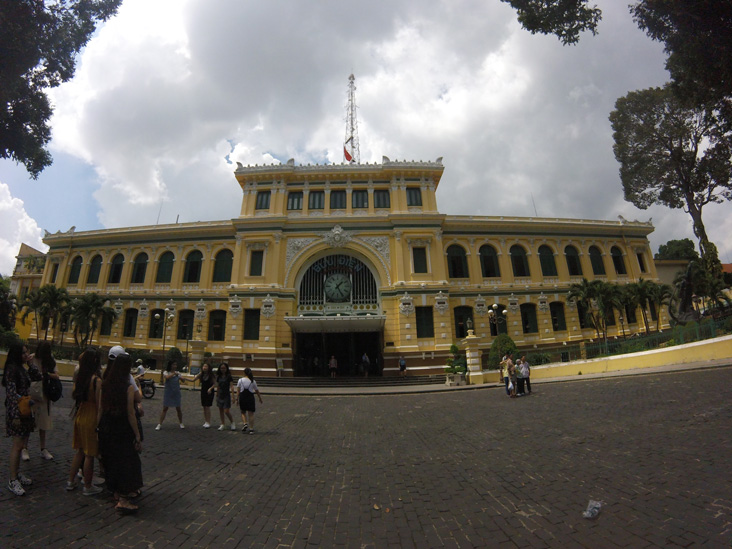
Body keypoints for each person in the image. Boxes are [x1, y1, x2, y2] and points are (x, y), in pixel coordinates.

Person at [98, 353, 143, 513]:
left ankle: (115, 492)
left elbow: (101, 408)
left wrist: (98, 427)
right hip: (122, 428)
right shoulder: (128, 387)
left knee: (111, 460)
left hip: (107, 426)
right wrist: (137, 435)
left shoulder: (106, 384)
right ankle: (124, 500)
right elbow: (131, 414)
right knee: (126, 462)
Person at [4, 343, 42, 496]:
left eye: (27, 352)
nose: (27, 355)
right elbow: (11, 395)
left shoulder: (22, 368)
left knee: (22, 444)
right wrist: (15, 416)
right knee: (17, 445)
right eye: (23, 353)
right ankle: (13, 479)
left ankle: (17, 473)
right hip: (17, 411)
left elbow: (38, 377)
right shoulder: (12, 370)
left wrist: (31, 364)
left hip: (25, 410)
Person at [67, 348, 103, 495]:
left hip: (81, 414)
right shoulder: (96, 381)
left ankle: (70, 481)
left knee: (80, 451)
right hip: (91, 416)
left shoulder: (82, 377)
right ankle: (88, 486)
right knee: (90, 454)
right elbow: (100, 406)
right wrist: (99, 425)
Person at [22, 341, 59, 461]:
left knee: (43, 423)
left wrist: (46, 374)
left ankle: (43, 448)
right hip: (33, 393)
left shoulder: (50, 360)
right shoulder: (32, 358)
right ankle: (24, 448)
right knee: (29, 422)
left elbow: (57, 375)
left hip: (45, 394)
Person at [155, 360, 185, 430]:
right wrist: (174, 374)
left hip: (176, 393)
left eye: (176, 365)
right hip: (168, 393)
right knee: (165, 408)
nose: (175, 366)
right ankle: (159, 424)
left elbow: (183, 380)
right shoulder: (166, 372)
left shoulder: (178, 373)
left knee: (178, 408)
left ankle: (181, 423)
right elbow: (167, 377)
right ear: (170, 365)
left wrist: (180, 377)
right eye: (173, 365)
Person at [235, 367, 263, 434]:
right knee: (251, 414)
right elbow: (256, 390)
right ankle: (251, 429)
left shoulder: (240, 380)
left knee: (243, 412)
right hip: (250, 397)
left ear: (244, 373)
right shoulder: (252, 381)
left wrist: (237, 399)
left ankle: (245, 423)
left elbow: (238, 391)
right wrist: (260, 398)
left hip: (242, 397)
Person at [213, 363, 236, 431]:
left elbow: (231, 386)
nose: (223, 369)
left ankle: (232, 422)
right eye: (221, 368)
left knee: (226, 411)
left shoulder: (229, 376)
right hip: (220, 394)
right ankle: (222, 424)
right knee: (220, 410)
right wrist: (217, 394)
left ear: (226, 369)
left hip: (226, 395)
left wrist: (233, 396)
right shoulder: (219, 376)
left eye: (224, 368)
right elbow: (218, 386)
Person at [193, 362, 215, 428]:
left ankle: (208, 421)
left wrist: (210, 389)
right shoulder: (201, 374)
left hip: (209, 392)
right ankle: (206, 421)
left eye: (206, 366)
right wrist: (183, 378)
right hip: (203, 391)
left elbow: (215, 383)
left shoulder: (211, 375)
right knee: (204, 406)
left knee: (207, 406)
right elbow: (193, 380)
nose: (204, 368)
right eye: (203, 366)